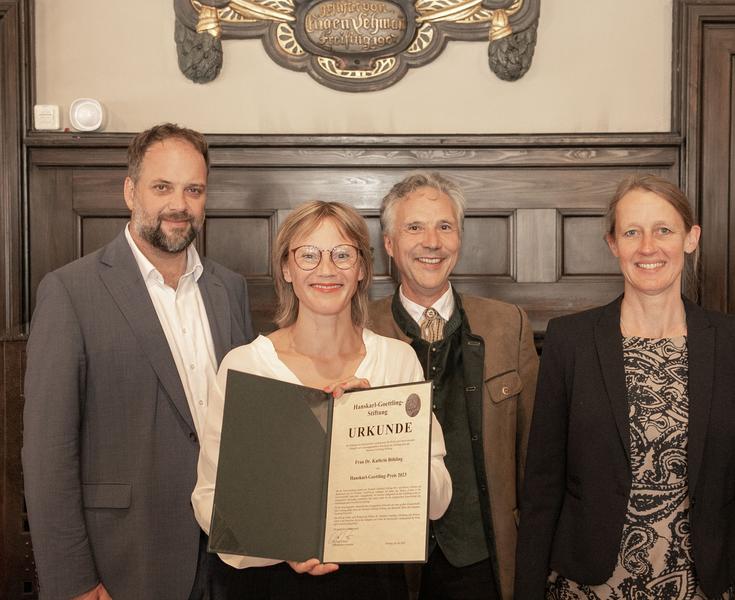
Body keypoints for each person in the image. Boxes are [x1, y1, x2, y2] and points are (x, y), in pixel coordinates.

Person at [515, 174, 735, 599]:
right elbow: (542, 487)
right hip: (588, 585)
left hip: (700, 584)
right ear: (612, 244)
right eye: (631, 232)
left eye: (664, 230)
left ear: (691, 238)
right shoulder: (571, 341)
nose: (647, 247)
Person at [22, 124, 257, 600]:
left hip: (228, 558)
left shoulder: (228, 289)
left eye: (194, 189)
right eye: (162, 187)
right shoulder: (70, 291)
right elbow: (47, 457)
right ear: (130, 191)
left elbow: (249, 423)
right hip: (124, 562)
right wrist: (73, 582)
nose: (180, 204)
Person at [192, 200, 452, 598]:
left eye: (343, 254)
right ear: (286, 268)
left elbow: (437, 500)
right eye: (308, 255)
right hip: (269, 583)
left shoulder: (396, 361)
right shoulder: (245, 366)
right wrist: (283, 546)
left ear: (363, 269)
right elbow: (211, 501)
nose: (326, 269)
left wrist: (379, 435)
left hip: (374, 584)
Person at [368, 172, 538, 600]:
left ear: (459, 238)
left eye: (445, 226)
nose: (432, 242)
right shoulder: (359, 328)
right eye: (414, 227)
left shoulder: (507, 325)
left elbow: (535, 452)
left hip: (483, 561)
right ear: (389, 244)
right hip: (383, 563)